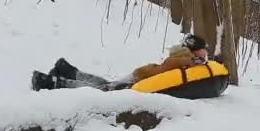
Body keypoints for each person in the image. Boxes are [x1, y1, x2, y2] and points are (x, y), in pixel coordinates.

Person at [31, 34, 209, 92]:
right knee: (105, 90)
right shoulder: (185, 58)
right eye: (203, 50)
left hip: (140, 77)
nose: (206, 53)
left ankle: (64, 74)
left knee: (105, 87)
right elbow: (172, 64)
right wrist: (197, 60)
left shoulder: (185, 58)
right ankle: (56, 80)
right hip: (140, 80)